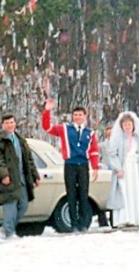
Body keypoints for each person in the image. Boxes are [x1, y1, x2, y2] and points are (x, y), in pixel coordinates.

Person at [43, 98, 100, 232]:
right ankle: (74, 224)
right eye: (75, 115)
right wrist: (47, 111)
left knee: (84, 195)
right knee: (71, 194)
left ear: (85, 117)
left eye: (80, 115)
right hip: (70, 165)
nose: (78, 117)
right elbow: (47, 127)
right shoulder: (65, 128)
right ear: (72, 117)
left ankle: (84, 224)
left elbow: (94, 151)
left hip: (83, 165)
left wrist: (95, 167)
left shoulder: (90, 133)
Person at [0, 114, 41, 238]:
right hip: (8, 179)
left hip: (21, 178)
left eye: (12, 122)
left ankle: (7, 229)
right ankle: (9, 233)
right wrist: (4, 174)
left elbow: (29, 160)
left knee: (24, 204)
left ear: (15, 124)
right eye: (7, 123)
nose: (10, 125)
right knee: (10, 208)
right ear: (3, 125)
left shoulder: (20, 140)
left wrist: (35, 176)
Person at [106, 111, 139, 227]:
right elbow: (112, 154)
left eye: (129, 124)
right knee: (125, 192)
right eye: (125, 125)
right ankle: (125, 218)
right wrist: (118, 168)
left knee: (137, 191)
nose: (127, 127)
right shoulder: (118, 139)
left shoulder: (138, 139)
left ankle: (138, 218)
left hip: (136, 169)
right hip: (124, 169)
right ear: (121, 126)